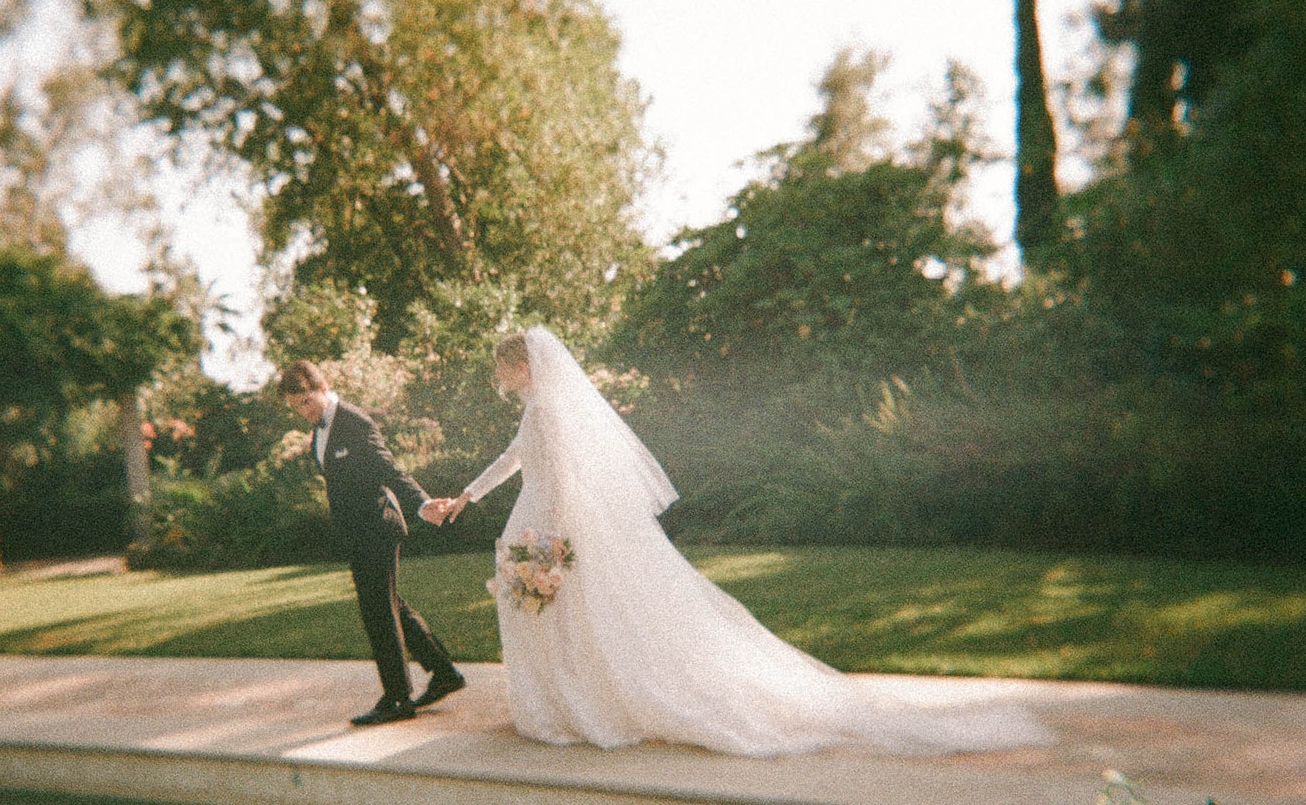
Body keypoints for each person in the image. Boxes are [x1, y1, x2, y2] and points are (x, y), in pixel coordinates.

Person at [425, 327, 1046, 757]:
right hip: (537, 521)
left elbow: (561, 476)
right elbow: (514, 460)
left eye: (506, 367)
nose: (502, 377)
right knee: (554, 619)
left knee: (569, 616)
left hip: (551, 526)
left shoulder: (551, 411)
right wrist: (466, 497)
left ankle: (578, 707)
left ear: (525, 366)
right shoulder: (537, 410)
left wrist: (553, 541)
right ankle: (562, 704)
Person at [279, 361, 466, 727]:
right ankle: (443, 673)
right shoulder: (322, 429)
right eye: (296, 406)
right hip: (358, 532)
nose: (304, 411)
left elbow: (388, 469)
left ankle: (397, 698)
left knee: (378, 612)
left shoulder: (352, 421)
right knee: (392, 605)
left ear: (324, 387)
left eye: (306, 400)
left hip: (376, 528)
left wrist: (423, 504)